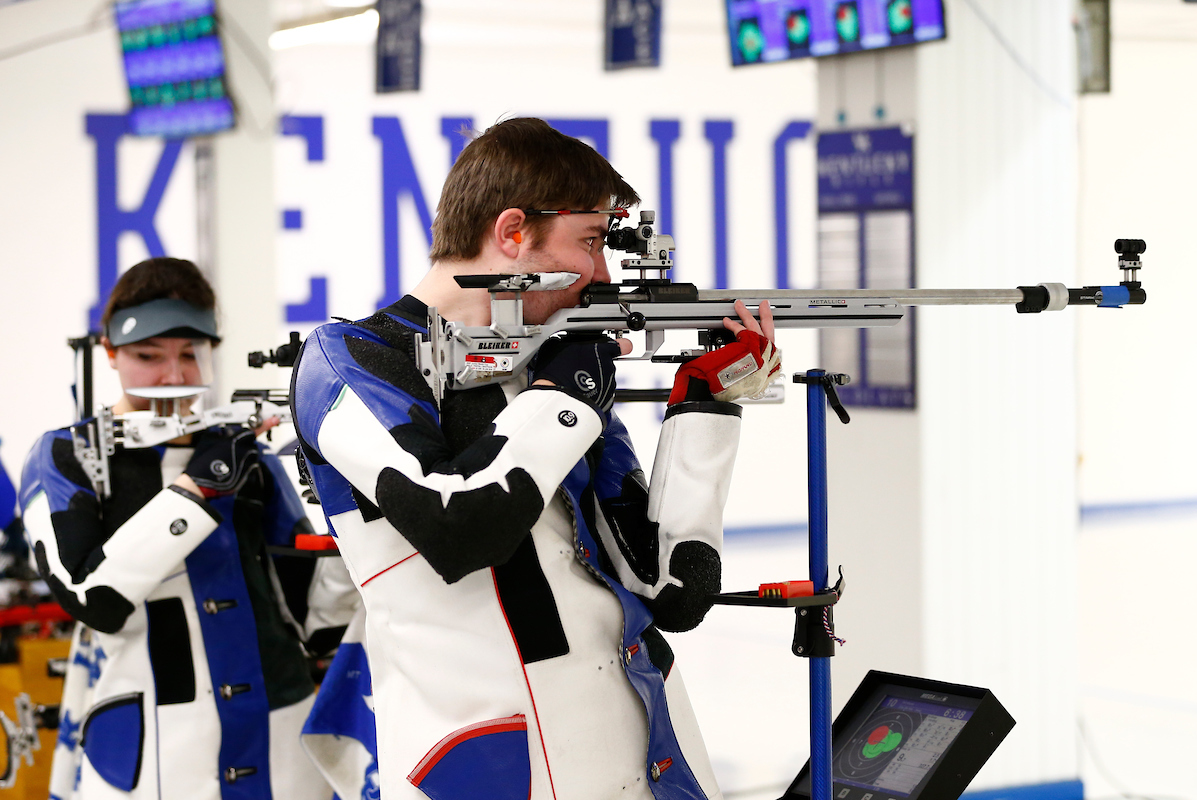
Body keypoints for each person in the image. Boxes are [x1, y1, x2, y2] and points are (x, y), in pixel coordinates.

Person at [290, 117, 780, 800]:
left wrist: (705, 405)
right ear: (513, 232)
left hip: (646, 757)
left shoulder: (549, 369)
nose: (602, 275)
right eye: (589, 242)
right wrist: (566, 395)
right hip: (488, 771)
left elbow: (673, 589)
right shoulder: (350, 360)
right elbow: (459, 524)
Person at [20, 258, 335, 800]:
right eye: (148, 356)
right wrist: (196, 488)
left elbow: (317, 619)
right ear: (110, 352)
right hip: (155, 753)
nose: (173, 375)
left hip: (282, 739)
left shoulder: (242, 452)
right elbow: (93, 598)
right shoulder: (67, 454)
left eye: (191, 354)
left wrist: (354, 503)